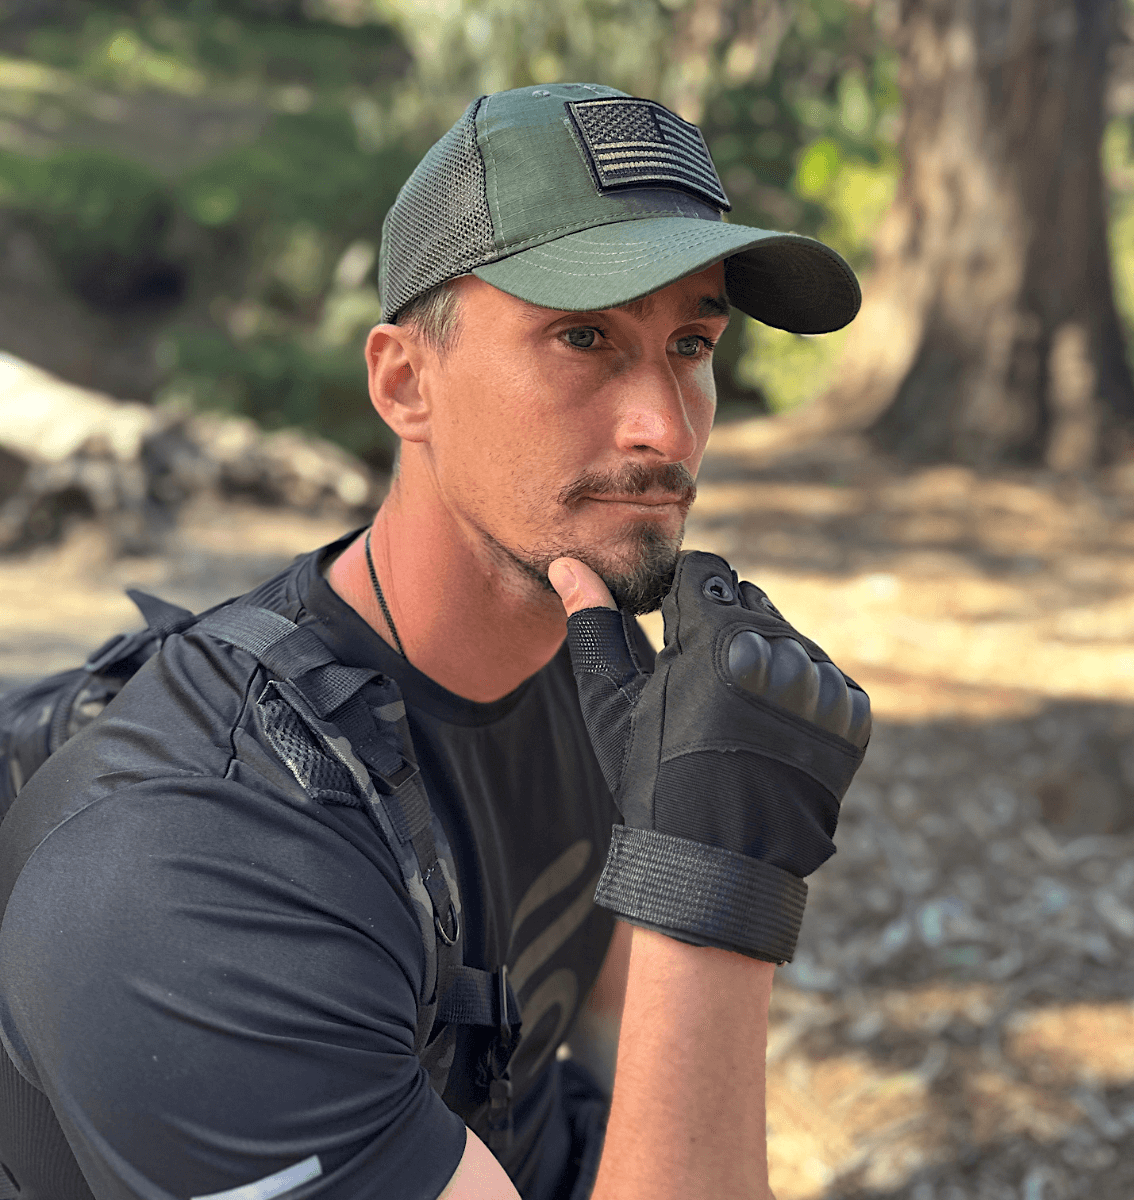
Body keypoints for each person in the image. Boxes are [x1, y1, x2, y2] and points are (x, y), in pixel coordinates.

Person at [0, 83, 867, 1200]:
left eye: (692, 343)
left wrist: (688, 838)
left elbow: (609, 1036)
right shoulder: (191, 876)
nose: (665, 424)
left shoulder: (594, 676)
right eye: (585, 337)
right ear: (405, 382)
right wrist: (719, 889)